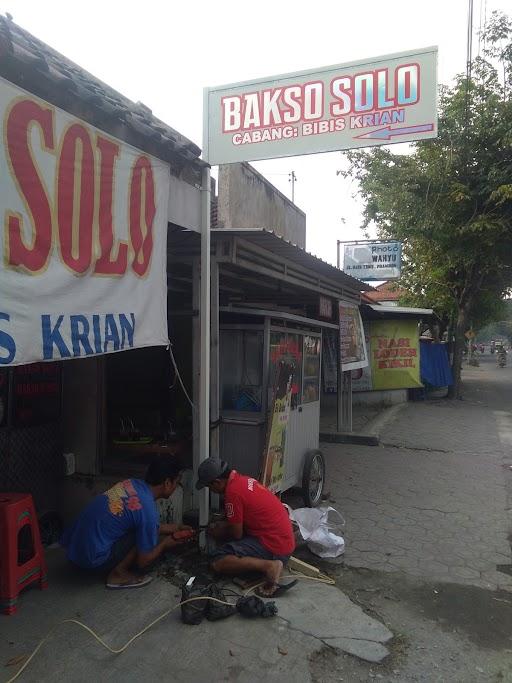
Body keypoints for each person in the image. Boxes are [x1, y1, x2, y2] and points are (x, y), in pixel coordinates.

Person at [61, 455, 192, 589]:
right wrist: (165, 543)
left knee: (138, 528)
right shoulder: (147, 510)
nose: (177, 486)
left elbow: (145, 524)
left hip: (74, 551)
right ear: (167, 483)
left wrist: (176, 528)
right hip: (91, 560)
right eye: (177, 482)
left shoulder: (130, 484)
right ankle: (118, 574)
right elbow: (143, 561)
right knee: (145, 549)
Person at [196, 458, 295, 596]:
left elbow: (236, 534)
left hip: (275, 546)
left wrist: (219, 531)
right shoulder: (243, 480)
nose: (211, 490)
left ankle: (270, 566)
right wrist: (225, 521)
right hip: (284, 540)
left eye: (209, 486)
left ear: (217, 482)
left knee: (217, 560)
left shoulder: (232, 493)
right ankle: (266, 563)